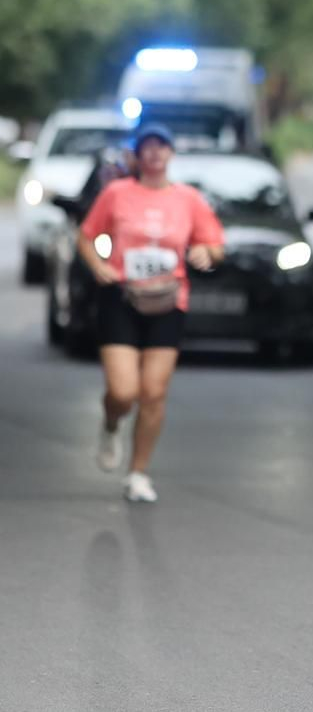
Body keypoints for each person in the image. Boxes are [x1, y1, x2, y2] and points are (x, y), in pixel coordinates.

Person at [78, 123, 225, 503]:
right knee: (124, 391)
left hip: (167, 301)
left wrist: (205, 254)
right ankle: (112, 422)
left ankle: (138, 473)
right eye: (148, 147)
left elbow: (215, 244)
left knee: (153, 393)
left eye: (163, 146)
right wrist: (98, 265)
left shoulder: (189, 199)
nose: (156, 153)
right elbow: (87, 234)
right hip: (122, 297)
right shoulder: (117, 193)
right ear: (137, 155)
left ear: (172, 153)